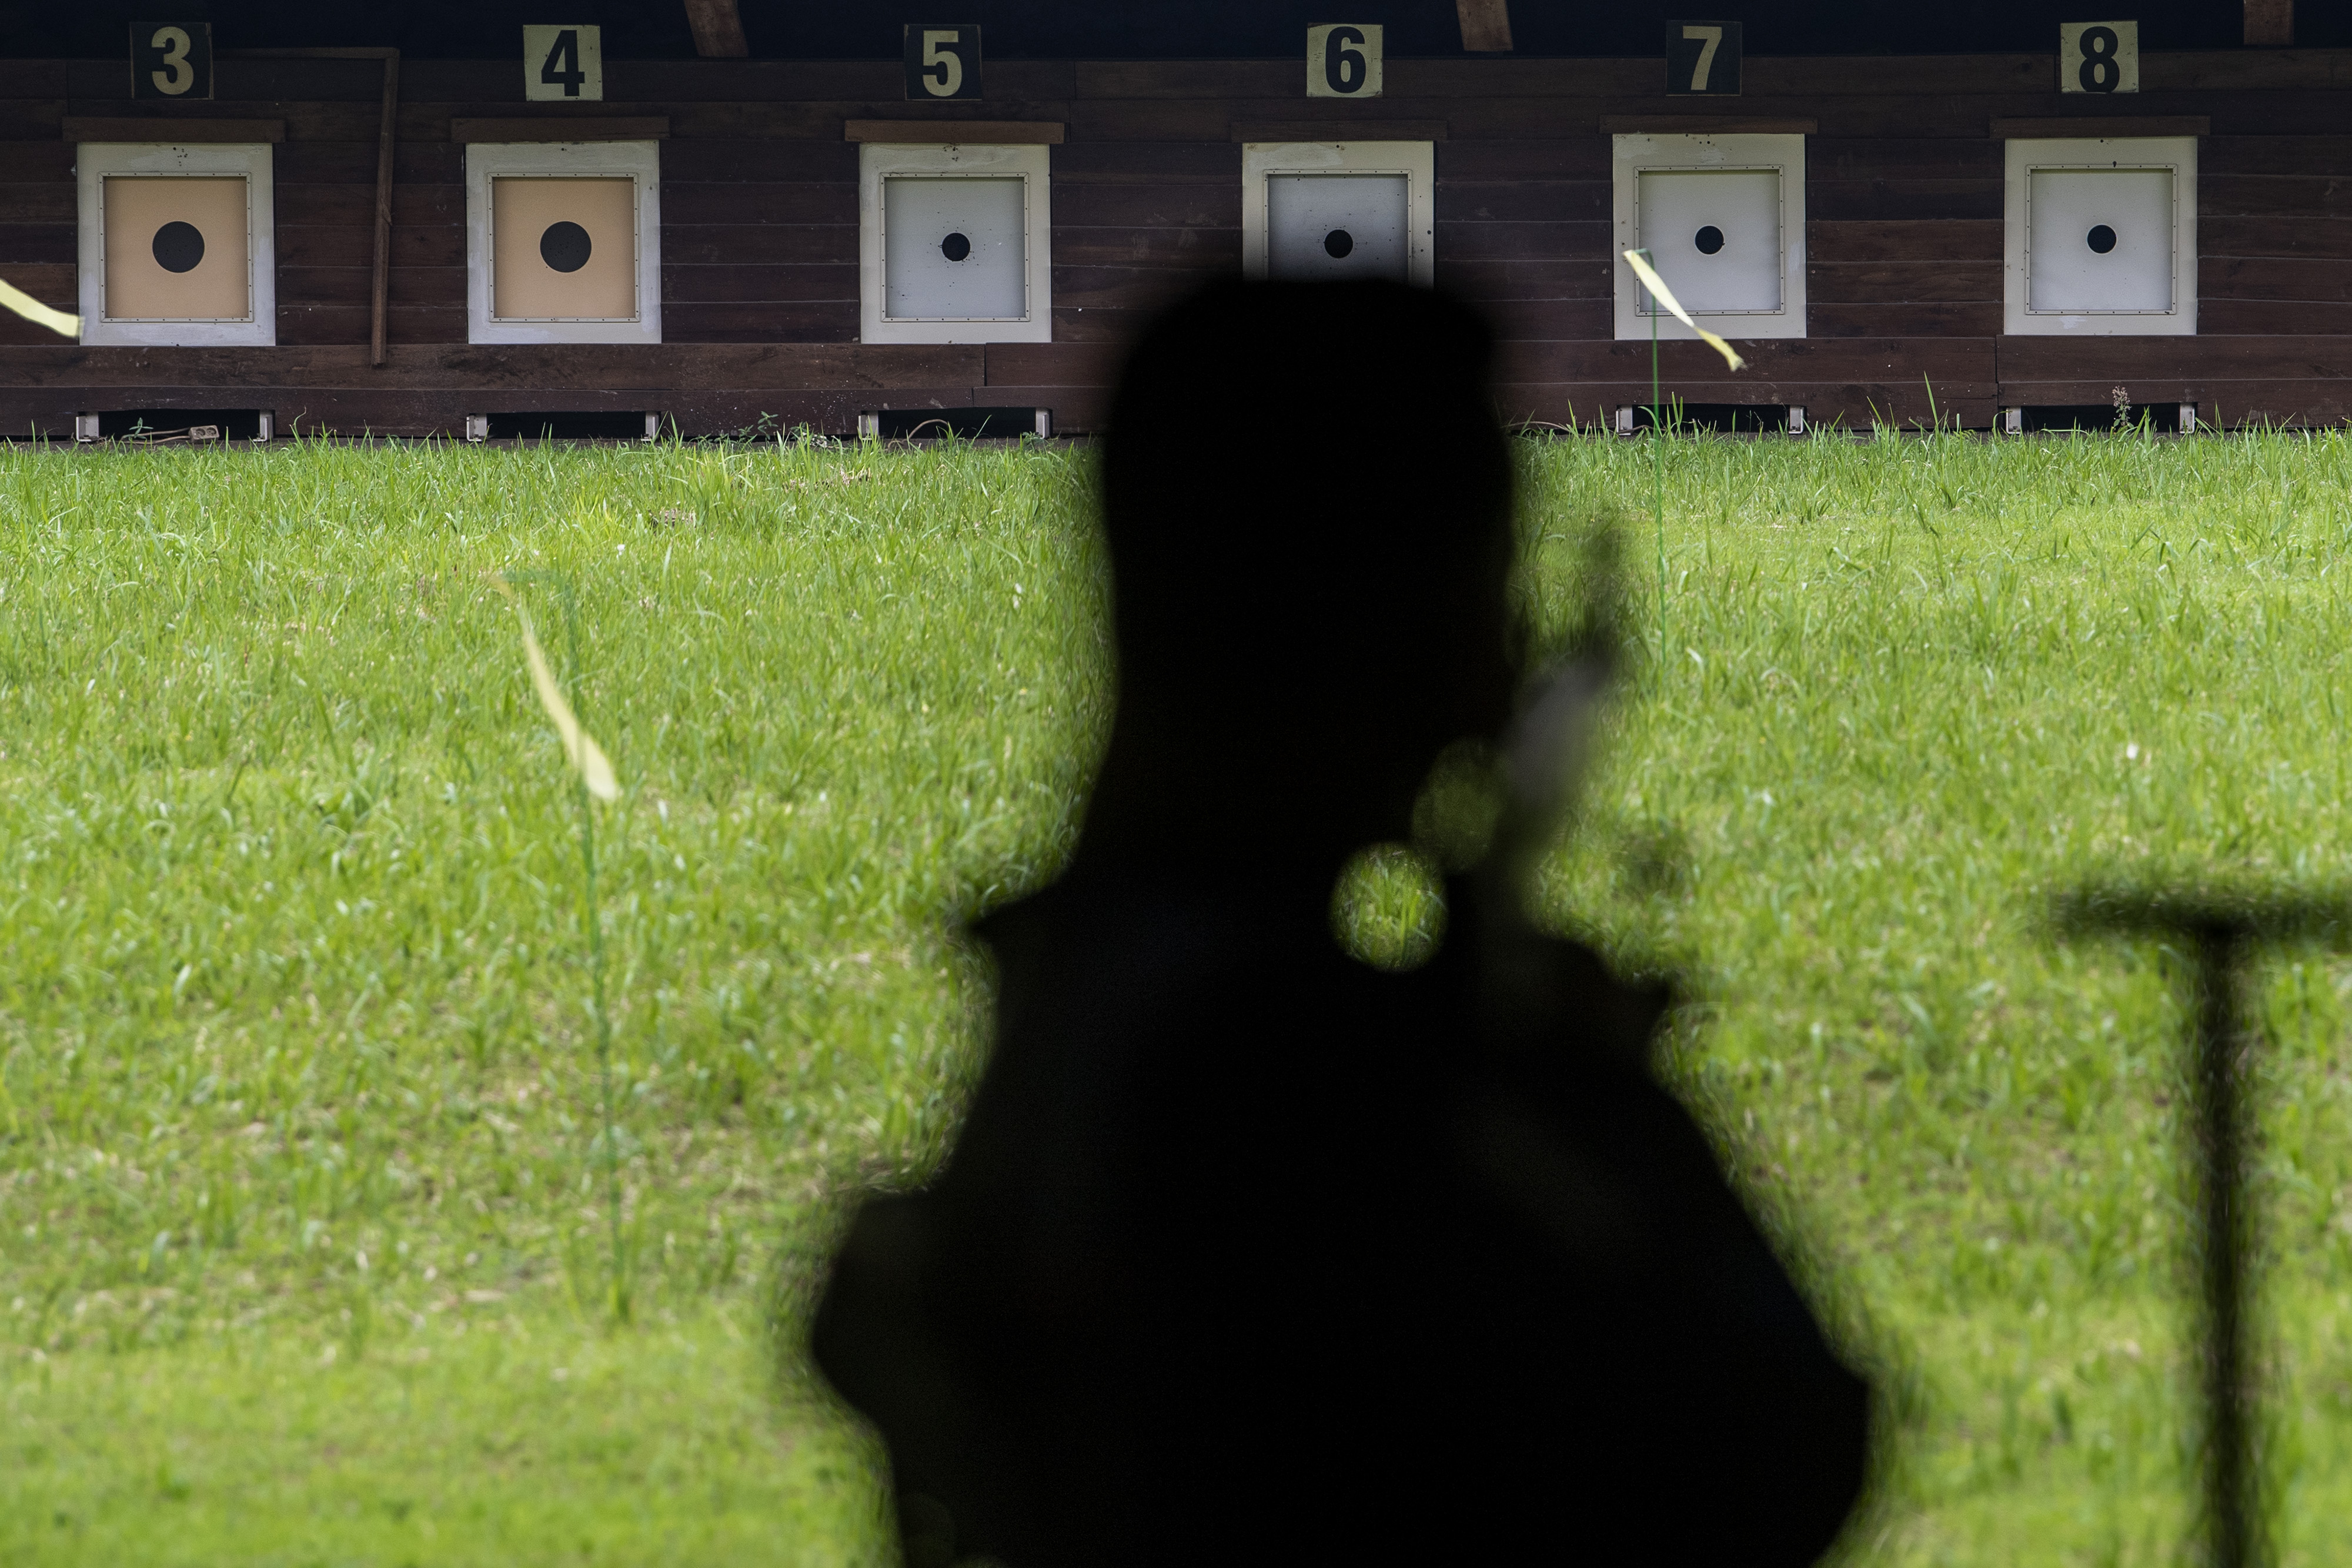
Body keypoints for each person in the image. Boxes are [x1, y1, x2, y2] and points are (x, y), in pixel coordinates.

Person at [811, 279, 1870, 1567]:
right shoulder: (1286, 1083)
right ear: (1402, 625)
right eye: (1483, 588)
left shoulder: (1094, 988)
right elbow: (1760, 1452)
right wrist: (1598, 1086)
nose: (1506, 651)